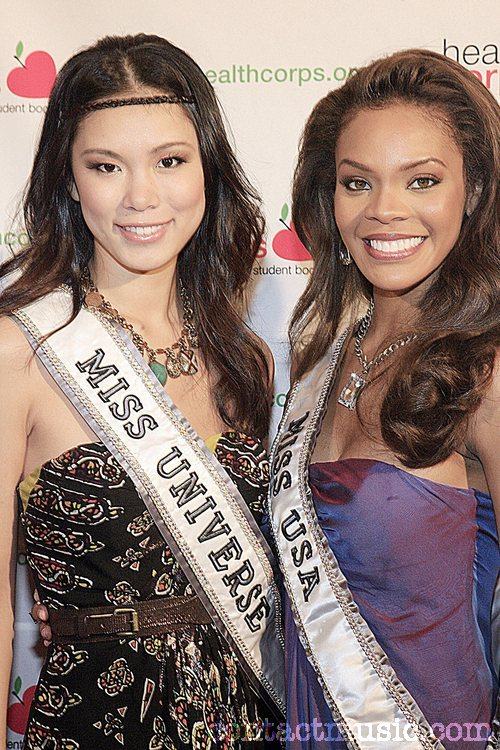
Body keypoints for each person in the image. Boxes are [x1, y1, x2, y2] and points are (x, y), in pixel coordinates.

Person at [0, 34, 285, 749]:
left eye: (170, 161)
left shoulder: (244, 359)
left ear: (207, 169)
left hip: (246, 723)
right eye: (105, 166)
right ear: (69, 181)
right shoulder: (20, 353)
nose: (141, 197)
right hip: (97, 724)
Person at [269, 49, 499, 749]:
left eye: (421, 180)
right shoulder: (322, 358)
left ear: (474, 192)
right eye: (357, 182)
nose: (384, 210)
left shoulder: (488, 367)